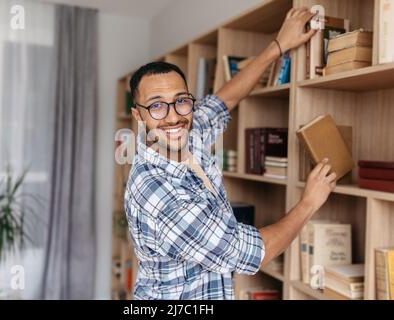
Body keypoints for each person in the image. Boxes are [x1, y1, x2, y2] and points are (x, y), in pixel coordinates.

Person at [124, 7, 335, 299]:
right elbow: (251, 254)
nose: (173, 117)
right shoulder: (157, 190)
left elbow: (225, 100)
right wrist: (310, 202)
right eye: (157, 105)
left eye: (181, 101)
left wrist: (278, 45)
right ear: (138, 115)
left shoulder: (188, 136)